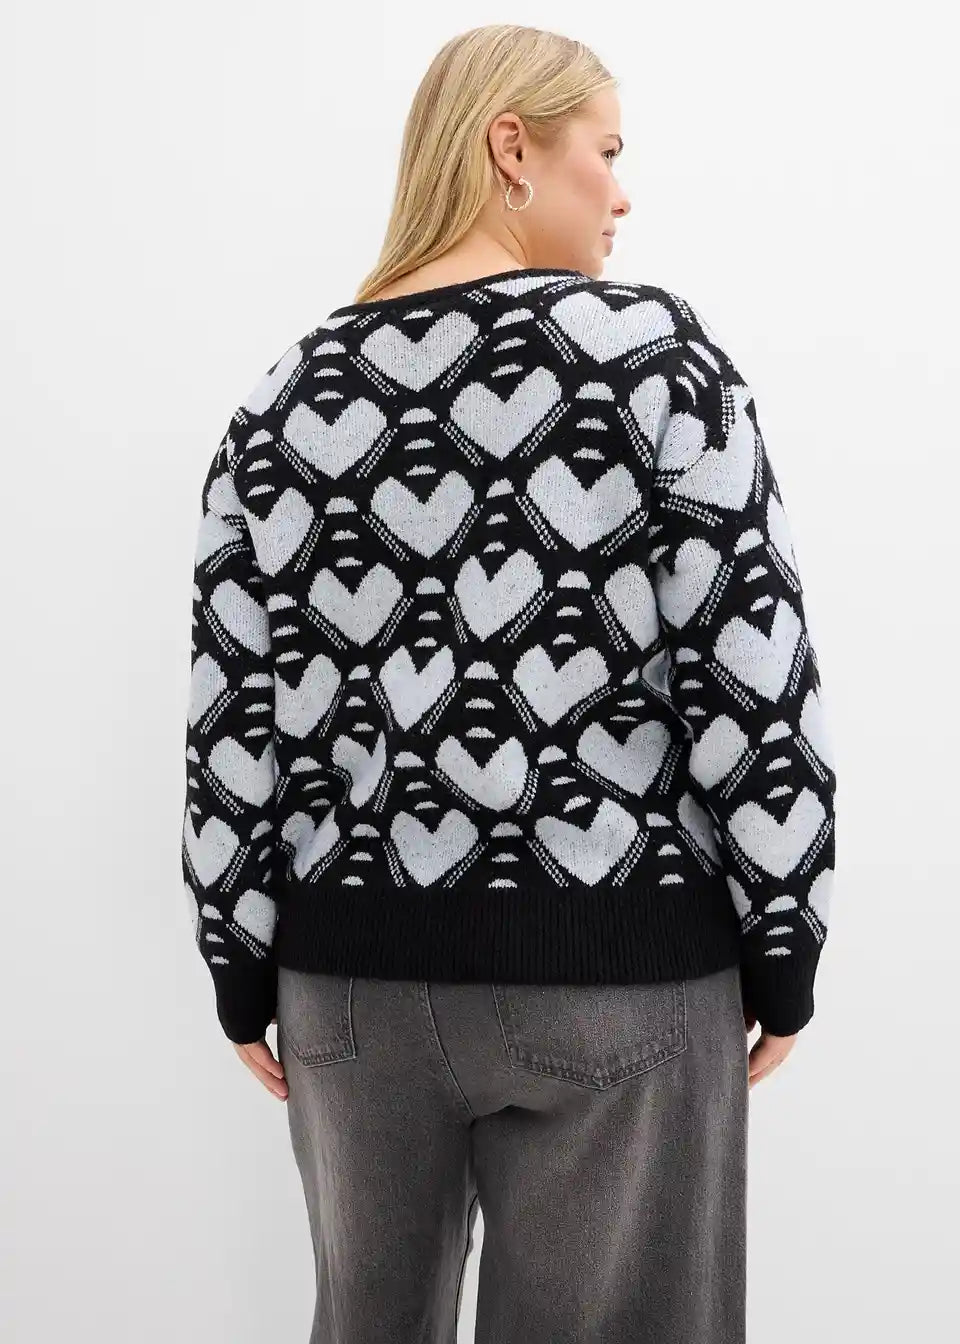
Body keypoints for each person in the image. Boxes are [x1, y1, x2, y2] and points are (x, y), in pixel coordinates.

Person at [180, 23, 836, 1343]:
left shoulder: (283, 400)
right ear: (511, 147)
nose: (624, 193)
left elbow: (233, 711)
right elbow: (748, 662)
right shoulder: (650, 358)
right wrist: (785, 931)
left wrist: (239, 955)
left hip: (348, 988)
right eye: (608, 150)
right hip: (615, 966)